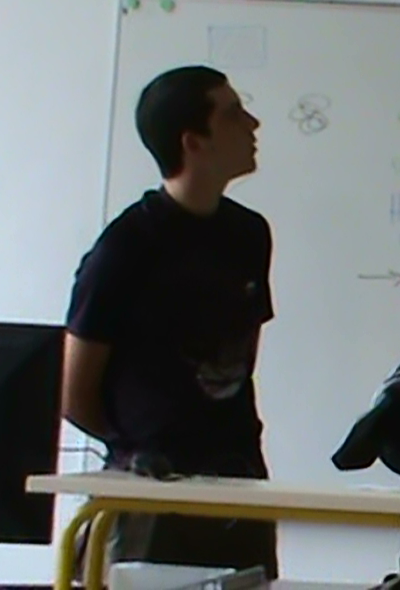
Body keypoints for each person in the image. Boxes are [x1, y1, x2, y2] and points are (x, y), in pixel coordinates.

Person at [60, 65, 279, 577]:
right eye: (233, 114)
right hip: (151, 491)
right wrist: (141, 445)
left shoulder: (249, 234)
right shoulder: (126, 248)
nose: (253, 124)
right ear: (193, 142)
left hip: (238, 479)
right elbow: (74, 395)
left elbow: (242, 356)